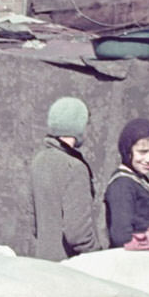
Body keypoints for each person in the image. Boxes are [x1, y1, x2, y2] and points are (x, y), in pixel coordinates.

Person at [31, 96, 99, 260]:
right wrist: (98, 253)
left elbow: (33, 224)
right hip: (70, 269)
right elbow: (78, 234)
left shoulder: (38, 161)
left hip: (42, 264)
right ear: (79, 126)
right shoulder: (75, 168)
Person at [104, 117, 149, 247]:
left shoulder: (140, 179)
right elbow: (121, 237)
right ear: (127, 151)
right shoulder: (122, 185)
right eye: (142, 152)